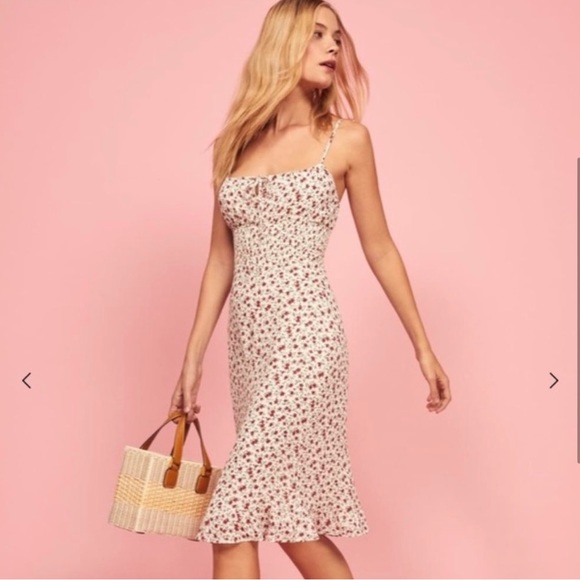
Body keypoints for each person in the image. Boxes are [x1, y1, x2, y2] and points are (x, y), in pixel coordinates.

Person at [168, 0, 452, 577]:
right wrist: (192, 358)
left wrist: (422, 347)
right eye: (317, 34)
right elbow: (220, 259)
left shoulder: (346, 140)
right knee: (292, 525)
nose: (333, 47)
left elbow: (380, 248)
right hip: (250, 348)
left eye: (337, 38)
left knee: (233, 516)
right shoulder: (232, 146)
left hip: (308, 340)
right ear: (282, 43)